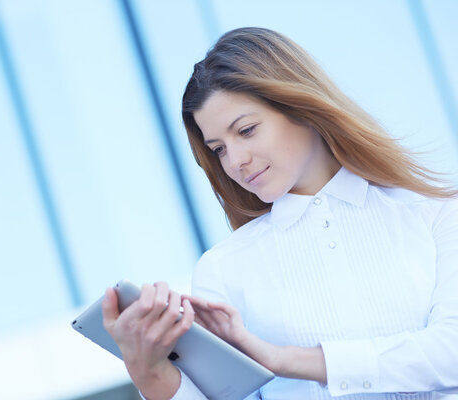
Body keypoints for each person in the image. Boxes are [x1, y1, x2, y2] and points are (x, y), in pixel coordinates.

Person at [102, 27, 458, 399]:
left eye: (247, 130)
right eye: (219, 149)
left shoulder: (434, 214)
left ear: (302, 107)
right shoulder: (224, 269)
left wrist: (282, 359)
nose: (236, 161)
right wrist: (149, 371)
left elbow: (451, 353)